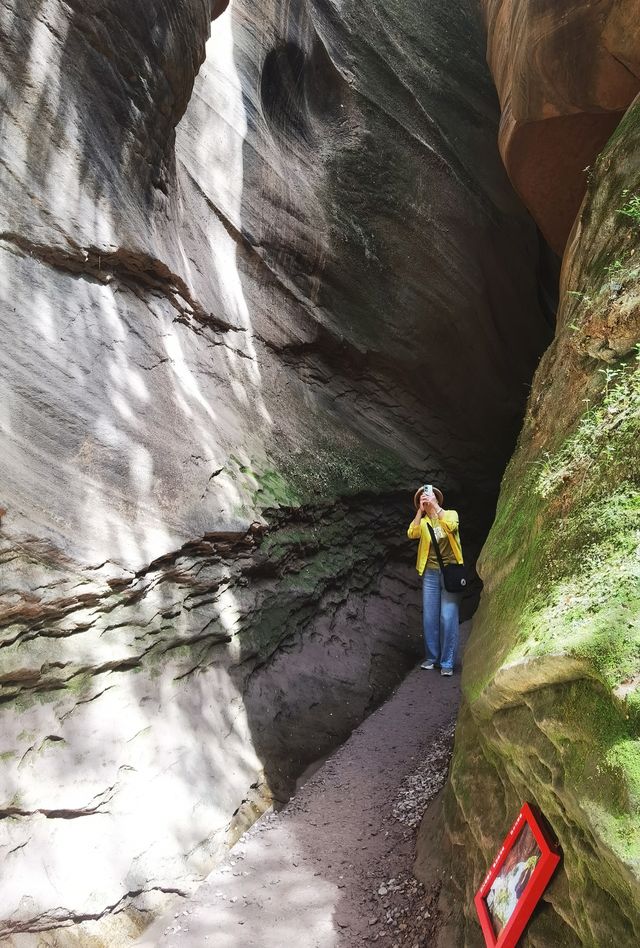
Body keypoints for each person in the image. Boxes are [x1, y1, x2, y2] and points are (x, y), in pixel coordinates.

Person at [407, 485, 463, 676]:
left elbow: (451, 527)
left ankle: (447, 662)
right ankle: (432, 658)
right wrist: (420, 512)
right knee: (430, 618)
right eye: (423, 499)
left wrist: (436, 510)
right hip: (430, 574)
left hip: (451, 572)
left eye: (429, 497)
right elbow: (411, 533)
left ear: (437, 499)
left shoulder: (450, 514)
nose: (427, 499)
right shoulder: (423, 523)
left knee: (447, 617)